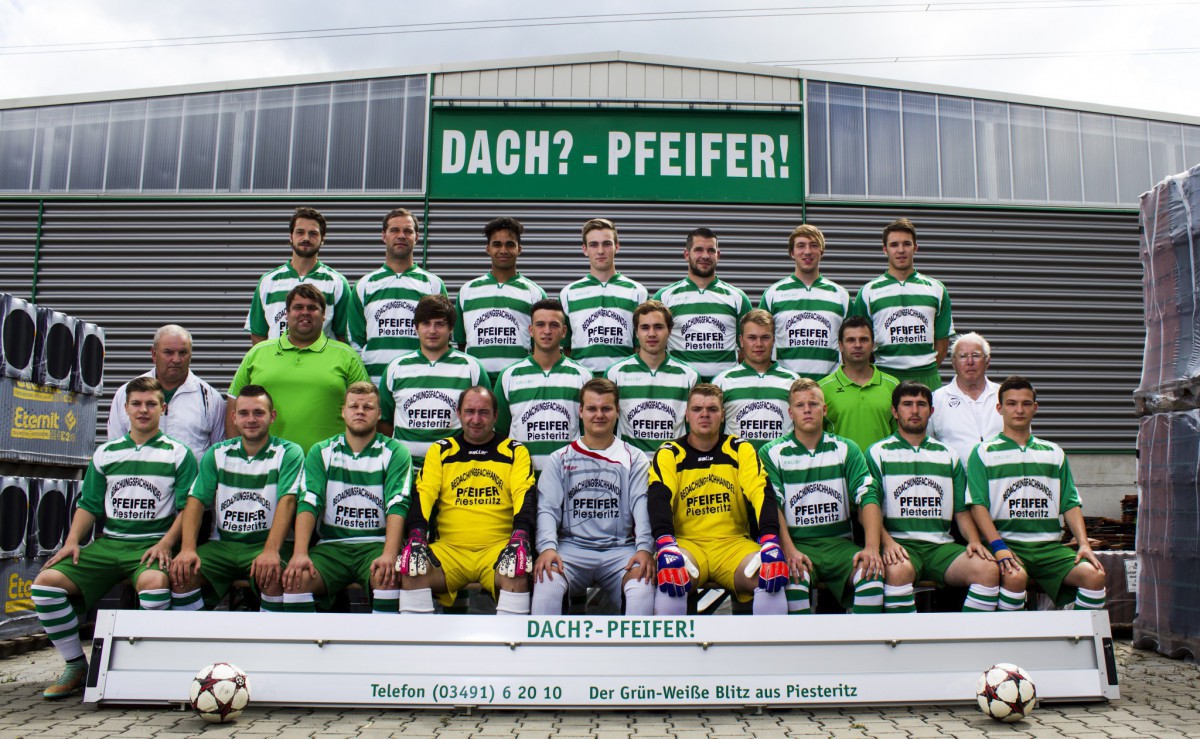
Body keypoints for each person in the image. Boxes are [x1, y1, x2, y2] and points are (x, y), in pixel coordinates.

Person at [32, 376, 197, 699]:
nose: (143, 410)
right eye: (136, 404)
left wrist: (166, 543)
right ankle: (76, 666)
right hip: (109, 544)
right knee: (45, 584)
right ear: (125, 409)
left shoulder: (179, 454)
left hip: (151, 545)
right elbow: (89, 505)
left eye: (151, 404)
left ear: (163, 409)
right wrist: (72, 542)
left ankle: (147, 668)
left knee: (154, 584)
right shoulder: (106, 453)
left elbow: (187, 509)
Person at [866, 381, 1010, 613]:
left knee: (987, 569)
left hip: (940, 548)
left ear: (931, 411)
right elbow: (867, 509)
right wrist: (887, 542)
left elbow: (961, 511)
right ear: (894, 411)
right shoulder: (877, 452)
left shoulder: (948, 455)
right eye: (907, 404)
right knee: (897, 571)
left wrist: (974, 540)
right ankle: (904, 636)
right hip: (901, 545)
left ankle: (969, 635)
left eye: (921, 404)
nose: (914, 411)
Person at [968, 376, 1107, 612]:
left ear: (1035, 407)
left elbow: (1070, 504)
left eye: (1026, 403)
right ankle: (1007, 635)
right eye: (1011, 403)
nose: (1019, 410)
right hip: (1008, 544)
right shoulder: (983, 452)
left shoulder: (1053, 452)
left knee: (1095, 575)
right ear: (999, 408)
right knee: (1014, 577)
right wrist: (998, 546)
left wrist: (1084, 544)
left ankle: (1075, 635)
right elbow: (977, 506)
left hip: (1049, 548)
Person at [648, 384, 789, 616]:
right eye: (697, 409)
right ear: (687, 414)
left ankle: (768, 642)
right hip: (687, 544)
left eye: (712, 409)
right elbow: (659, 498)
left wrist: (770, 539)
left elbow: (761, 492)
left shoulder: (739, 449)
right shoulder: (670, 452)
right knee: (672, 580)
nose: (704, 414)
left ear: (723, 414)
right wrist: (664, 543)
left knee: (770, 576)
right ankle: (671, 643)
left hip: (733, 545)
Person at [398, 386, 537, 616]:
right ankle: (419, 641)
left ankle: (510, 640)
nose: (476, 419)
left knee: (516, 571)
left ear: (496, 416)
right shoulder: (441, 451)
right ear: (458, 413)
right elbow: (424, 492)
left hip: (498, 548)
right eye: (469, 411)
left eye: (483, 412)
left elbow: (525, 494)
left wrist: (521, 536)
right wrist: (416, 534)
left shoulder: (514, 451)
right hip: (450, 550)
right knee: (414, 570)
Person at [169, 385, 304, 613]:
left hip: (265, 544)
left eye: (258, 413)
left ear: (272, 416)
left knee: (273, 576)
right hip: (223, 545)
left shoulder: (288, 452)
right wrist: (188, 549)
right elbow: (196, 501)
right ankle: (196, 635)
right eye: (244, 413)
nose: (251, 419)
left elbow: (288, 501)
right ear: (234, 417)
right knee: (182, 575)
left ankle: (268, 637)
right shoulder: (217, 453)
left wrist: (271, 550)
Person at [281, 382, 413, 614]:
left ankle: (383, 639)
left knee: (388, 577)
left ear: (379, 414)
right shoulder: (321, 451)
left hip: (376, 544)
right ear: (343, 411)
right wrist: (300, 553)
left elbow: (397, 505)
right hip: (331, 547)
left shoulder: (396, 452)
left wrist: (389, 554)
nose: (360, 411)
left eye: (367, 407)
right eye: (354, 406)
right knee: (296, 579)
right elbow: (308, 501)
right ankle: (308, 639)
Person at [759, 378, 885, 614]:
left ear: (824, 409)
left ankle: (865, 639)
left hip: (840, 545)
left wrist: (871, 548)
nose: (807, 410)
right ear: (790, 413)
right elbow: (773, 505)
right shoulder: (771, 452)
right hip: (798, 544)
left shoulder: (847, 448)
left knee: (872, 575)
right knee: (793, 579)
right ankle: (801, 641)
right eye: (800, 405)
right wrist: (788, 550)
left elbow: (867, 495)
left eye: (813, 404)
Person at [532, 379, 655, 616]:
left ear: (617, 411)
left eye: (606, 408)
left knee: (642, 587)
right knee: (546, 583)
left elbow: (641, 505)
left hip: (621, 550)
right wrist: (547, 547)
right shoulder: (560, 458)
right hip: (571, 548)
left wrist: (644, 549)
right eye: (592, 408)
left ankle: (633, 645)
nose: (599, 415)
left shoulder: (634, 457)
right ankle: (550, 645)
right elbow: (547, 509)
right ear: (580, 411)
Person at [228, 284, 370, 453]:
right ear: (287, 314)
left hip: (329, 462)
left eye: (312, 308)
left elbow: (368, 409)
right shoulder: (257, 353)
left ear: (324, 315)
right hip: (267, 462)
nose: (305, 312)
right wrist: (237, 456)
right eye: (298, 307)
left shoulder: (347, 356)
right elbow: (233, 407)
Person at [379, 295, 488, 470]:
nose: (432, 330)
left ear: (451, 328)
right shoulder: (396, 368)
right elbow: (384, 421)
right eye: (426, 324)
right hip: (405, 471)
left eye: (440, 324)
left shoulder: (471, 368)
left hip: (455, 470)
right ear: (416, 327)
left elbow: (485, 421)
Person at [349, 207, 448, 384]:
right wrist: (364, 383)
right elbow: (354, 342)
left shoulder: (433, 284)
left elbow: (443, 337)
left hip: (419, 382)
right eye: (394, 230)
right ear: (384, 236)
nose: (401, 235)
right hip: (374, 383)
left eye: (408, 231)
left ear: (416, 237)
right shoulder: (364, 285)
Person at [851, 218, 953, 389]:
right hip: (884, 376)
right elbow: (861, 341)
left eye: (906, 244)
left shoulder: (936, 289)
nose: (901, 250)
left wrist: (926, 367)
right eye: (894, 245)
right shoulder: (868, 292)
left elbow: (942, 342)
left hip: (926, 376)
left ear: (915, 247)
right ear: (885, 249)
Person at [494, 298, 592, 472]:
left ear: (564, 331)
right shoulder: (509, 375)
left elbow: (589, 432)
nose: (547, 331)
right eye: (540, 325)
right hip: (521, 478)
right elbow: (500, 431)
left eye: (554, 325)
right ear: (531, 330)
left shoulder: (583, 376)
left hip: (569, 477)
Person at [107, 324, 225, 462]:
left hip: (191, 476)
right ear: (154, 354)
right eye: (168, 352)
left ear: (191, 355)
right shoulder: (126, 393)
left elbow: (219, 455)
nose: (176, 359)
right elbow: (114, 448)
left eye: (183, 352)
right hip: (136, 475)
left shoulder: (210, 398)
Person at [454, 217, 546, 382]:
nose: (503, 250)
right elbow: (461, 343)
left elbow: (540, 346)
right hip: (476, 384)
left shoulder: (535, 293)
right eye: (497, 244)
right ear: (488, 249)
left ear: (519, 249)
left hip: (519, 382)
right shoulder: (467, 291)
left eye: (510, 245)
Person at [654, 228, 752, 382]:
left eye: (711, 250)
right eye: (698, 250)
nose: (705, 256)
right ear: (686, 255)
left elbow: (748, 349)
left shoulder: (737, 298)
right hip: (680, 387)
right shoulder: (664, 297)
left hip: (725, 389)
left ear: (718, 255)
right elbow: (653, 346)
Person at [604, 300, 699, 456]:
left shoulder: (690, 376)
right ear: (636, 332)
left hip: (674, 463)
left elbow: (694, 430)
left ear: (669, 330)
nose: (652, 333)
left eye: (658, 327)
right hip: (630, 465)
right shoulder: (615, 373)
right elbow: (607, 429)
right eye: (645, 327)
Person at [246, 206, 350, 345]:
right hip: (278, 359)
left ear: (322, 239)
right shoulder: (268, 281)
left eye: (313, 233)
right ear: (291, 236)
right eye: (300, 232)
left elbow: (343, 336)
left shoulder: (337, 283)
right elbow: (258, 334)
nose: (306, 238)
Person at [760, 224, 850, 379]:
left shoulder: (840, 295)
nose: (807, 251)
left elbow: (851, 344)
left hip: (829, 385)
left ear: (822, 251)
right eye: (801, 246)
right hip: (785, 385)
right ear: (792, 253)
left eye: (814, 245)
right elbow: (760, 342)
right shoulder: (773, 294)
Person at [560, 218, 648, 375]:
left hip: (623, 380)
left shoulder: (637, 292)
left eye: (607, 244)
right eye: (593, 245)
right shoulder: (568, 293)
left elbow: (640, 346)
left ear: (617, 247)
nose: (600, 251)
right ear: (585, 249)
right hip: (582, 381)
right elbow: (566, 347)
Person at [713, 310, 800, 449]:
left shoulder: (793, 381)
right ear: (741, 340)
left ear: (774, 339)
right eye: (752, 337)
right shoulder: (722, 382)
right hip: (736, 462)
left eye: (765, 337)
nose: (759, 344)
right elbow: (713, 433)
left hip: (781, 461)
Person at [818, 316, 900, 453]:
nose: (857, 345)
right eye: (851, 340)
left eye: (863, 339)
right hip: (839, 466)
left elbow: (899, 436)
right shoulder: (822, 388)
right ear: (841, 345)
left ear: (873, 344)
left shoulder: (893, 385)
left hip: (881, 466)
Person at [930, 332, 1003, 463]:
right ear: (953, 362)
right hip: (955, 475)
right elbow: (927, 444)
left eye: (976, 355)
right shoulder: (936, 399)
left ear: (987, 361)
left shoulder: (1003, 395)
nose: (970, 362)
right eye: (963, 356)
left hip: (1001, 474)